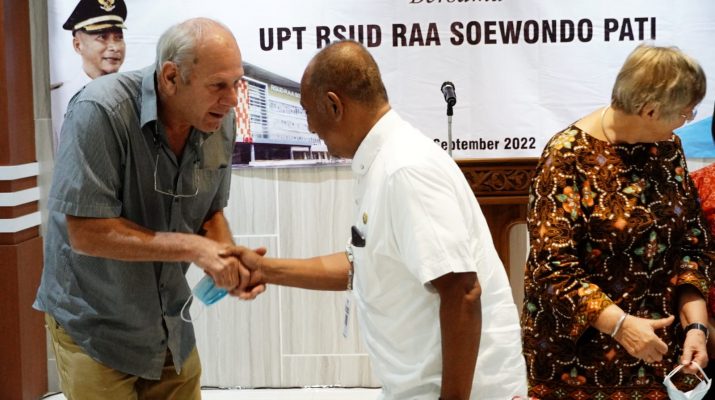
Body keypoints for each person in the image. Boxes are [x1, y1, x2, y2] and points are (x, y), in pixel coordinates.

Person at [227, 40, 527, 400]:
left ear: (334, 105)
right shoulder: (382, 163)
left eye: (308, 111)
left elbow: (462, 290)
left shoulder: (405, 169)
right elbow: (362, 264)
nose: (310, 127)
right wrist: (264, 269)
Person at [34, 18, 256, 400]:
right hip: (94, 324)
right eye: (218, 85)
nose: (232, 99)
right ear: (170, 77)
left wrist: (228, 258)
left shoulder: (220, 121)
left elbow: (210, 213)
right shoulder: (100, 110)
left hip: (169, 322)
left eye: (236, 83)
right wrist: (194, 248)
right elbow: (86, 232)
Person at [521, 44, 712, 399]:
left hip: (657, 357)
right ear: (650, 110)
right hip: (576, 364)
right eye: (686, 112)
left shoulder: (667, 148)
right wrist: (622, 326)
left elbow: (691, 244)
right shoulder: (566, 156)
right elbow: (553, 269)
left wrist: (696, 328)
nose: (688, 120)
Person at [50, 0, 128, 152]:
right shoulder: (58, 99)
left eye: (118, 37)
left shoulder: (134, 96)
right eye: (102, 37)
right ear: (78, 45)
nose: (114, 47)